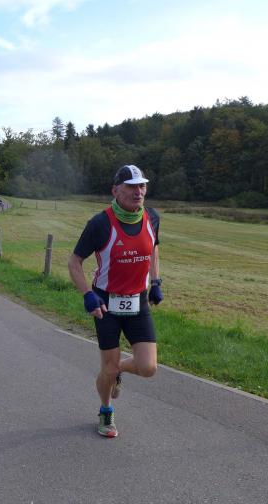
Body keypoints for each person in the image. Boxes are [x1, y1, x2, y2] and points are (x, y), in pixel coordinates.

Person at [68, 164, 163, 438]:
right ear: (115, 191)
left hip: (137, 302)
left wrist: (156, 282)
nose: (138, 191)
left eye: (142, 185)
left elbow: (153, 249)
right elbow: (74, 262)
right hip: (105, 304)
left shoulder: (152, 217)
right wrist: (87, 294)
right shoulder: (100, 223)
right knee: (107, 368)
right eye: (131, 186)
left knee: (148, 368)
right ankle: (106, 410)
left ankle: (115, 370)